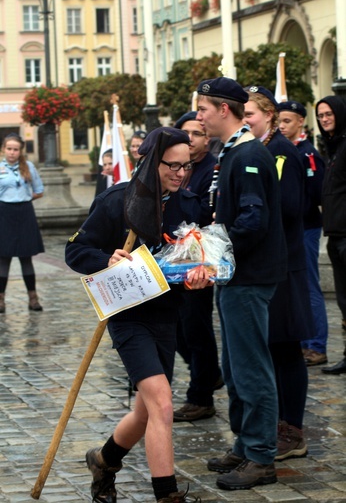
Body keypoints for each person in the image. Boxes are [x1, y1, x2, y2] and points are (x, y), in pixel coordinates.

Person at [65, 127, 203, 503]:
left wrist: (201, 273)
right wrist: (106, 259)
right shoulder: (116, 200)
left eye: (186, 166)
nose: (180, 173)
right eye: (172, 166)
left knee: (146, 413)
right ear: (150, 162)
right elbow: (75, 250)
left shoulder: (188, 204)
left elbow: (198, 257)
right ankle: (167, 495)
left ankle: (104, 460)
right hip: (127, 316)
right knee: (162, 403)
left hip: (167, 316)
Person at [195, 77, 287, 491]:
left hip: (249, 275)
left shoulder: (248, 155)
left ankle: (261, 456)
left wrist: (213, 248)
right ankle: (245, 444)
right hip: (235, 274)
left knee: (251, 368)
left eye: (203, 109)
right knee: (234, 365)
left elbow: (253, 220)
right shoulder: (233, 152)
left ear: (224, 110)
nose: (199, 117)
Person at [244, 86, 315, 461]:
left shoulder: (281, 151)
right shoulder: (258, 150)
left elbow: (290, 207)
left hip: (284, 264)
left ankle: (293, 429)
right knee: (271, 348)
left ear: (269, 115)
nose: (246, 120)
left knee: (287, 349)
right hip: (269, 264)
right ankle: (276, 423)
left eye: (251, 114)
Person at [172, 111, 223, 422]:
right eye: (184, 133)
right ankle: (209, 372)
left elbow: (207, 212)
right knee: (177, 327)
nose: (189, 139)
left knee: (196, 326)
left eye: (196, 133)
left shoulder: (210, 169)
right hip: (172, 258)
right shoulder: (176, 166)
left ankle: (201, 396)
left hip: (198, 259)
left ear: (207, 139)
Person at [278, 100, 328, 366]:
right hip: (294, 230)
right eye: (280, 121)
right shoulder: (285, 150)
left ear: (300, 122)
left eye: (287, 121)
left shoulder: (307, 153)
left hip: (307, 227)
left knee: (310, 286)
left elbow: (315, 193)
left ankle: (316, 345)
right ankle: (304, 341)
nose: (282, 126)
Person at [316, 95, 346, 375]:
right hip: (335, 233)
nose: (325, 119)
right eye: (321, 115)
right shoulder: (332, 147)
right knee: (343, 299)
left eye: (329, 114)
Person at [0, 133, 44, 313]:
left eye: (15, 149)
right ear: (3, 149)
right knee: (3, 258)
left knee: (26, 258)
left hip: (25, 212)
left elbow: (39, 190)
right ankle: (0, 299)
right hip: (3, 213)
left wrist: (23, 199)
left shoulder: (29, 167)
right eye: (9, 149)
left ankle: (33, 298)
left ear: (20, 151)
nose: (12, 152)